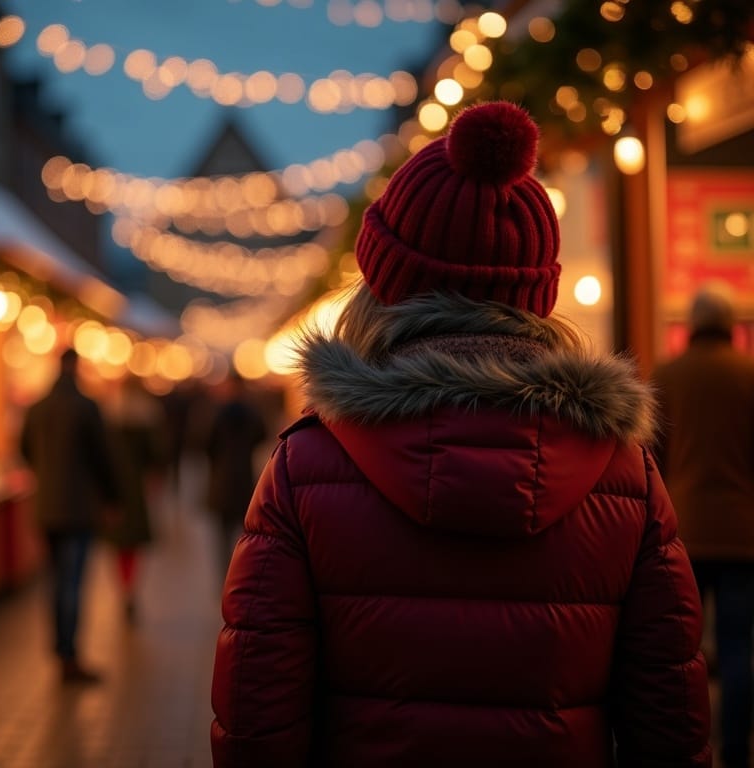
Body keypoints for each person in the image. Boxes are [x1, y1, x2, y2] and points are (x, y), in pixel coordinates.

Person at [211, 102, 711, 767]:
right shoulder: (623, 473)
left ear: (384, 285)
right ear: (536, 293)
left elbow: (257, 711)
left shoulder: (309, 465)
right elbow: (669, 714)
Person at [652, 281, 754, 768]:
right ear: (730, 324)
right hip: (744, 534)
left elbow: (653, 459)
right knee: (738, 647)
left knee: (683, 652)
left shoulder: (668, 377)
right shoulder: (749, 375)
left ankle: (691, 751)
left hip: (684, 531)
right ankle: (737, 751)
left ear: (692, 324)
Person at [20, 348, 120, 683]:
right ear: (77, 367)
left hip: (45, 508)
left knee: (54, 581)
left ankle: (59, 650)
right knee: (72, 583)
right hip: (78, 508)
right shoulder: (86, 407)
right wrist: (112, 498)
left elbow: (24, 450)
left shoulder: (37, 407)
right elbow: (103, 458)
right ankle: (69, 656)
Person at [102, 374, 163, 624]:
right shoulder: (148, 415)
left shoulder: (108, 415)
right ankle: (131, 587)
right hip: (136, 488)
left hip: (113, 487)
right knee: (134, 544)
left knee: (117, 544)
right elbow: (157, 455)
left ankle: (123, 587)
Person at [204, 368, 267, 580]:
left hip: (221, 479)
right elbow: (262, 435)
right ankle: (242, 571)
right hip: (245, 478)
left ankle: (225, 574)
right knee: (245, 531)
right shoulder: (253, 412)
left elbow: (204, 442)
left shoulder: (217, 412)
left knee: (222, 533)